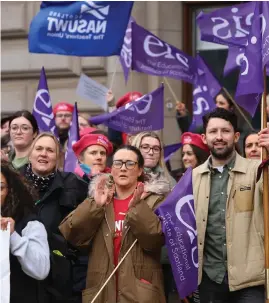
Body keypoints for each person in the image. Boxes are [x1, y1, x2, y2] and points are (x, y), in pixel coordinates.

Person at [59, 145, 166, 303]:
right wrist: (95, 206)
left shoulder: (154, 201)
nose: (123, 168)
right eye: (118, 163)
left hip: (140, 293)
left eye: (130, 163)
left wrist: (137, 208)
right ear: (111, 169)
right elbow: (72, 234)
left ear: (140, 170)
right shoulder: (100, 199)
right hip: (102, 292)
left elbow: (155, 241)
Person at [193, 108, 269, 303]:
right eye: (213, 131)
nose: (219, 137)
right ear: (204, 137)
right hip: (209, 280)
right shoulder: (192, 178)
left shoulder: (257, 170)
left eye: (225, 131)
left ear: (236, 136)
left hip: (250, 280)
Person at [19, 132, 88, 303]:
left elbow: (87, 231)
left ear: (58, 157)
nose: (44, 154)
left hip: (60, 281)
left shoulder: (74, 184)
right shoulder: (13, 182)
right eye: (39, 149)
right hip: (20, 277)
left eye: (50, 150)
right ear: (30, 154)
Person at [1, 160, 50, 303]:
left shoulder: (29, 223)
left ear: (10, 192)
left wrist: (13, 237)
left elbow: (41, 270)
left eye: (0, 187)